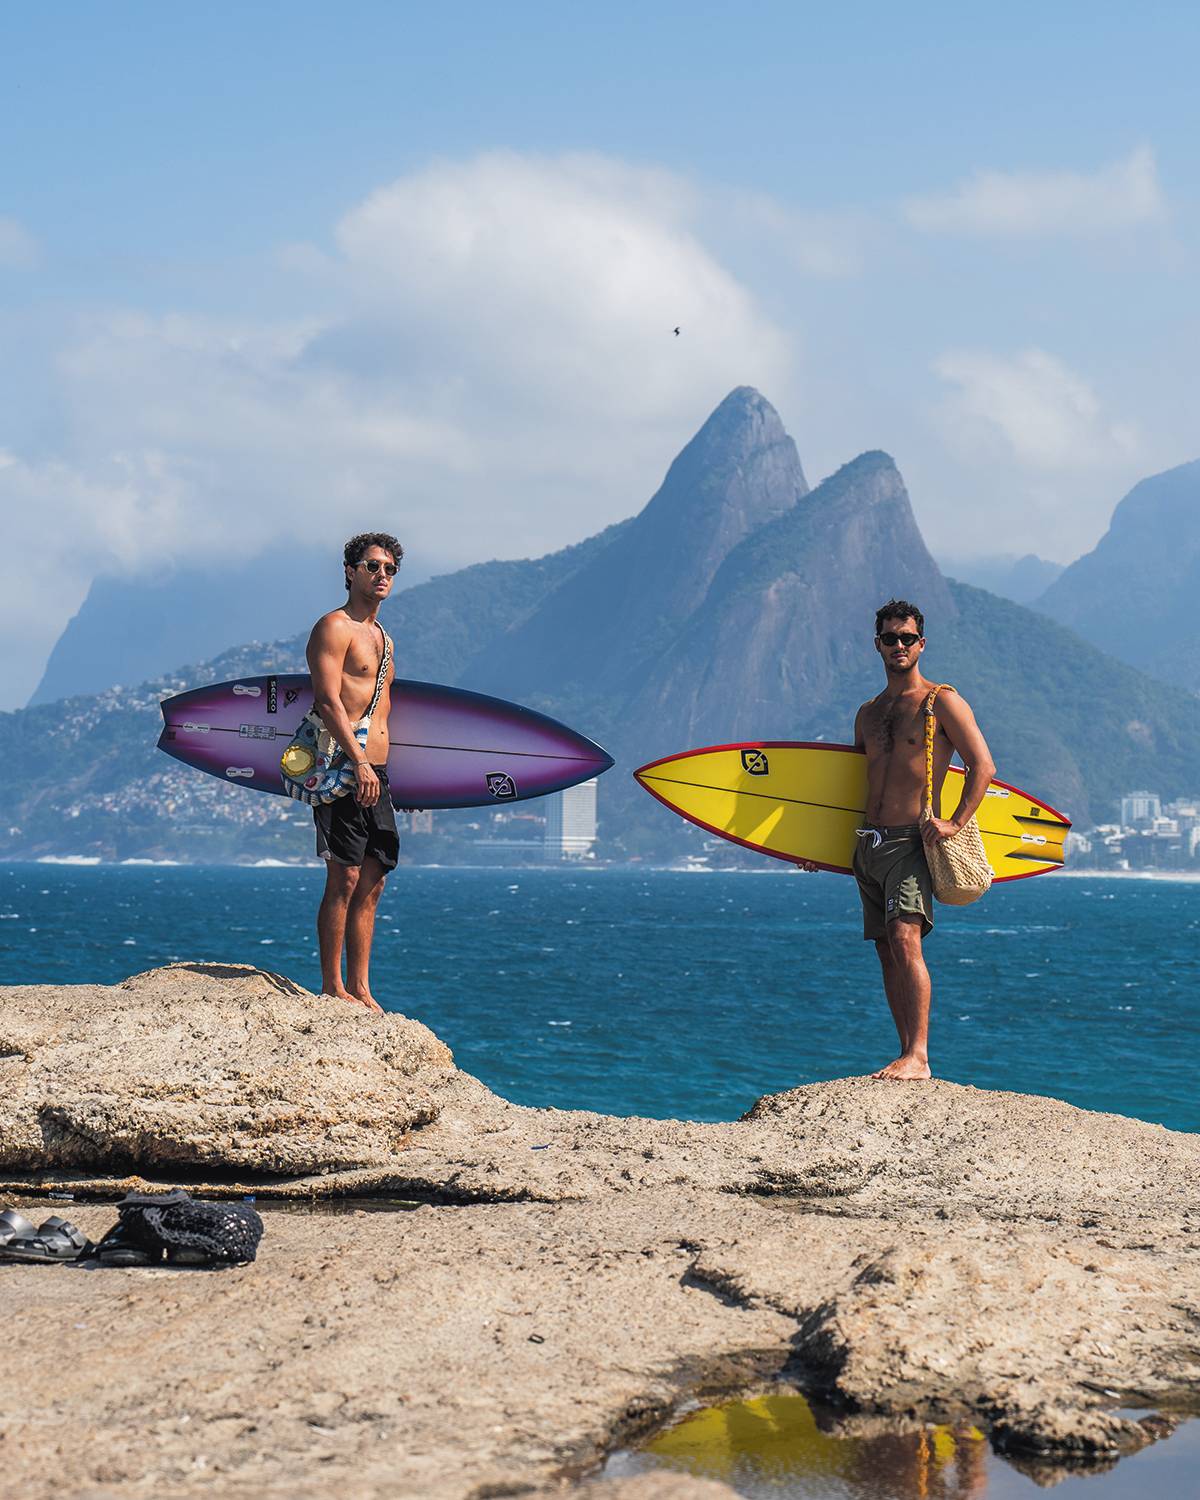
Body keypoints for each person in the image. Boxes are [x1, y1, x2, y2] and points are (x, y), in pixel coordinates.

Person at [846, 598, 994, 1081]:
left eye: (908, 638)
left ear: (921, 644)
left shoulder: (941, 701)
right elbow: (851, 785)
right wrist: (816, 850)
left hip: (912, 839)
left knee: (907, 938)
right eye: (890, 638)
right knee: (886, 948)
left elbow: (983, 767)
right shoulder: (868, 713)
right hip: (869, 843)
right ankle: (905, 1050)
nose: (899, 646)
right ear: (878, 645)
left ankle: (921, 1056)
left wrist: (953, 822)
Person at [305, 532, 403, 1012]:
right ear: (349, 571)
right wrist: (360, 762)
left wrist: (380, 771)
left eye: (389, 569)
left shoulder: (385, 640)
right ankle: (331, 986)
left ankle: (361, 987)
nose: (381, 575)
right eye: (372, 566)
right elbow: (327, 702)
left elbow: (383, 711)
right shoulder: (334, 627)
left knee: (374, 879)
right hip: (346, 768)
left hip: (377, 774)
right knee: (342, 878)